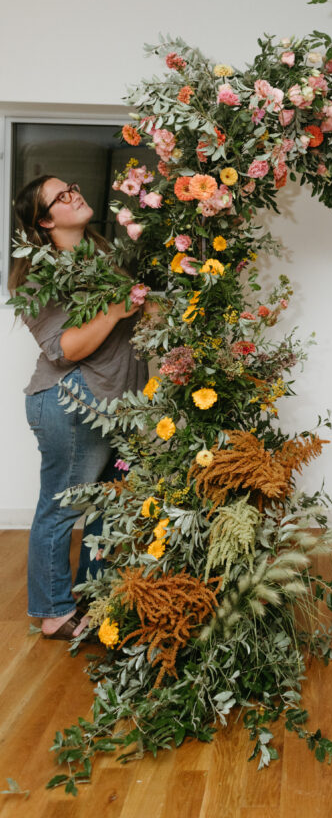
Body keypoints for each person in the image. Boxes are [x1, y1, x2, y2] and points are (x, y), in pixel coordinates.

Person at [10, 175, 148, 640]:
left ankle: (95, 597)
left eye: (71, 187)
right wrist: (113, 311)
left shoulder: (101, 255)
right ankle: (53, 613)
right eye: (61, 196)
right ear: (45, 220)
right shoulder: (37, 276)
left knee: (111, 506)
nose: (75, 194)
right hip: (73, 401)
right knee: (61, 508)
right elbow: (64, 348)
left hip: (118, 402)